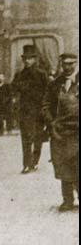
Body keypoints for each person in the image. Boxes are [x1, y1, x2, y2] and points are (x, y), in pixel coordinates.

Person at [42, 53, 79, 211]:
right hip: (60, 132)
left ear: (76, 64)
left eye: (71, 64)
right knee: (63, 165)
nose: (68, 67)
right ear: (61, 65)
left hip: (77, 131)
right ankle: (67, 200)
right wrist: (51, 123)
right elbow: (45, 105)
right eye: (65, 64)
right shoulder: (55, 84)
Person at [11, 45, 48, 174]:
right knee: (26, 138)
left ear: (35, 59)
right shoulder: (19, 75)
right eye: (25, 58)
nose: (27, 61)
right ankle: (26, 164)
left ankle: (35, 162)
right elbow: (13, 89)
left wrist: (45, 109)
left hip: (39, 112)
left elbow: (47, 92)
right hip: (25, 111)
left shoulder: (42, 74)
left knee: (38, 138)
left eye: (30, 58)